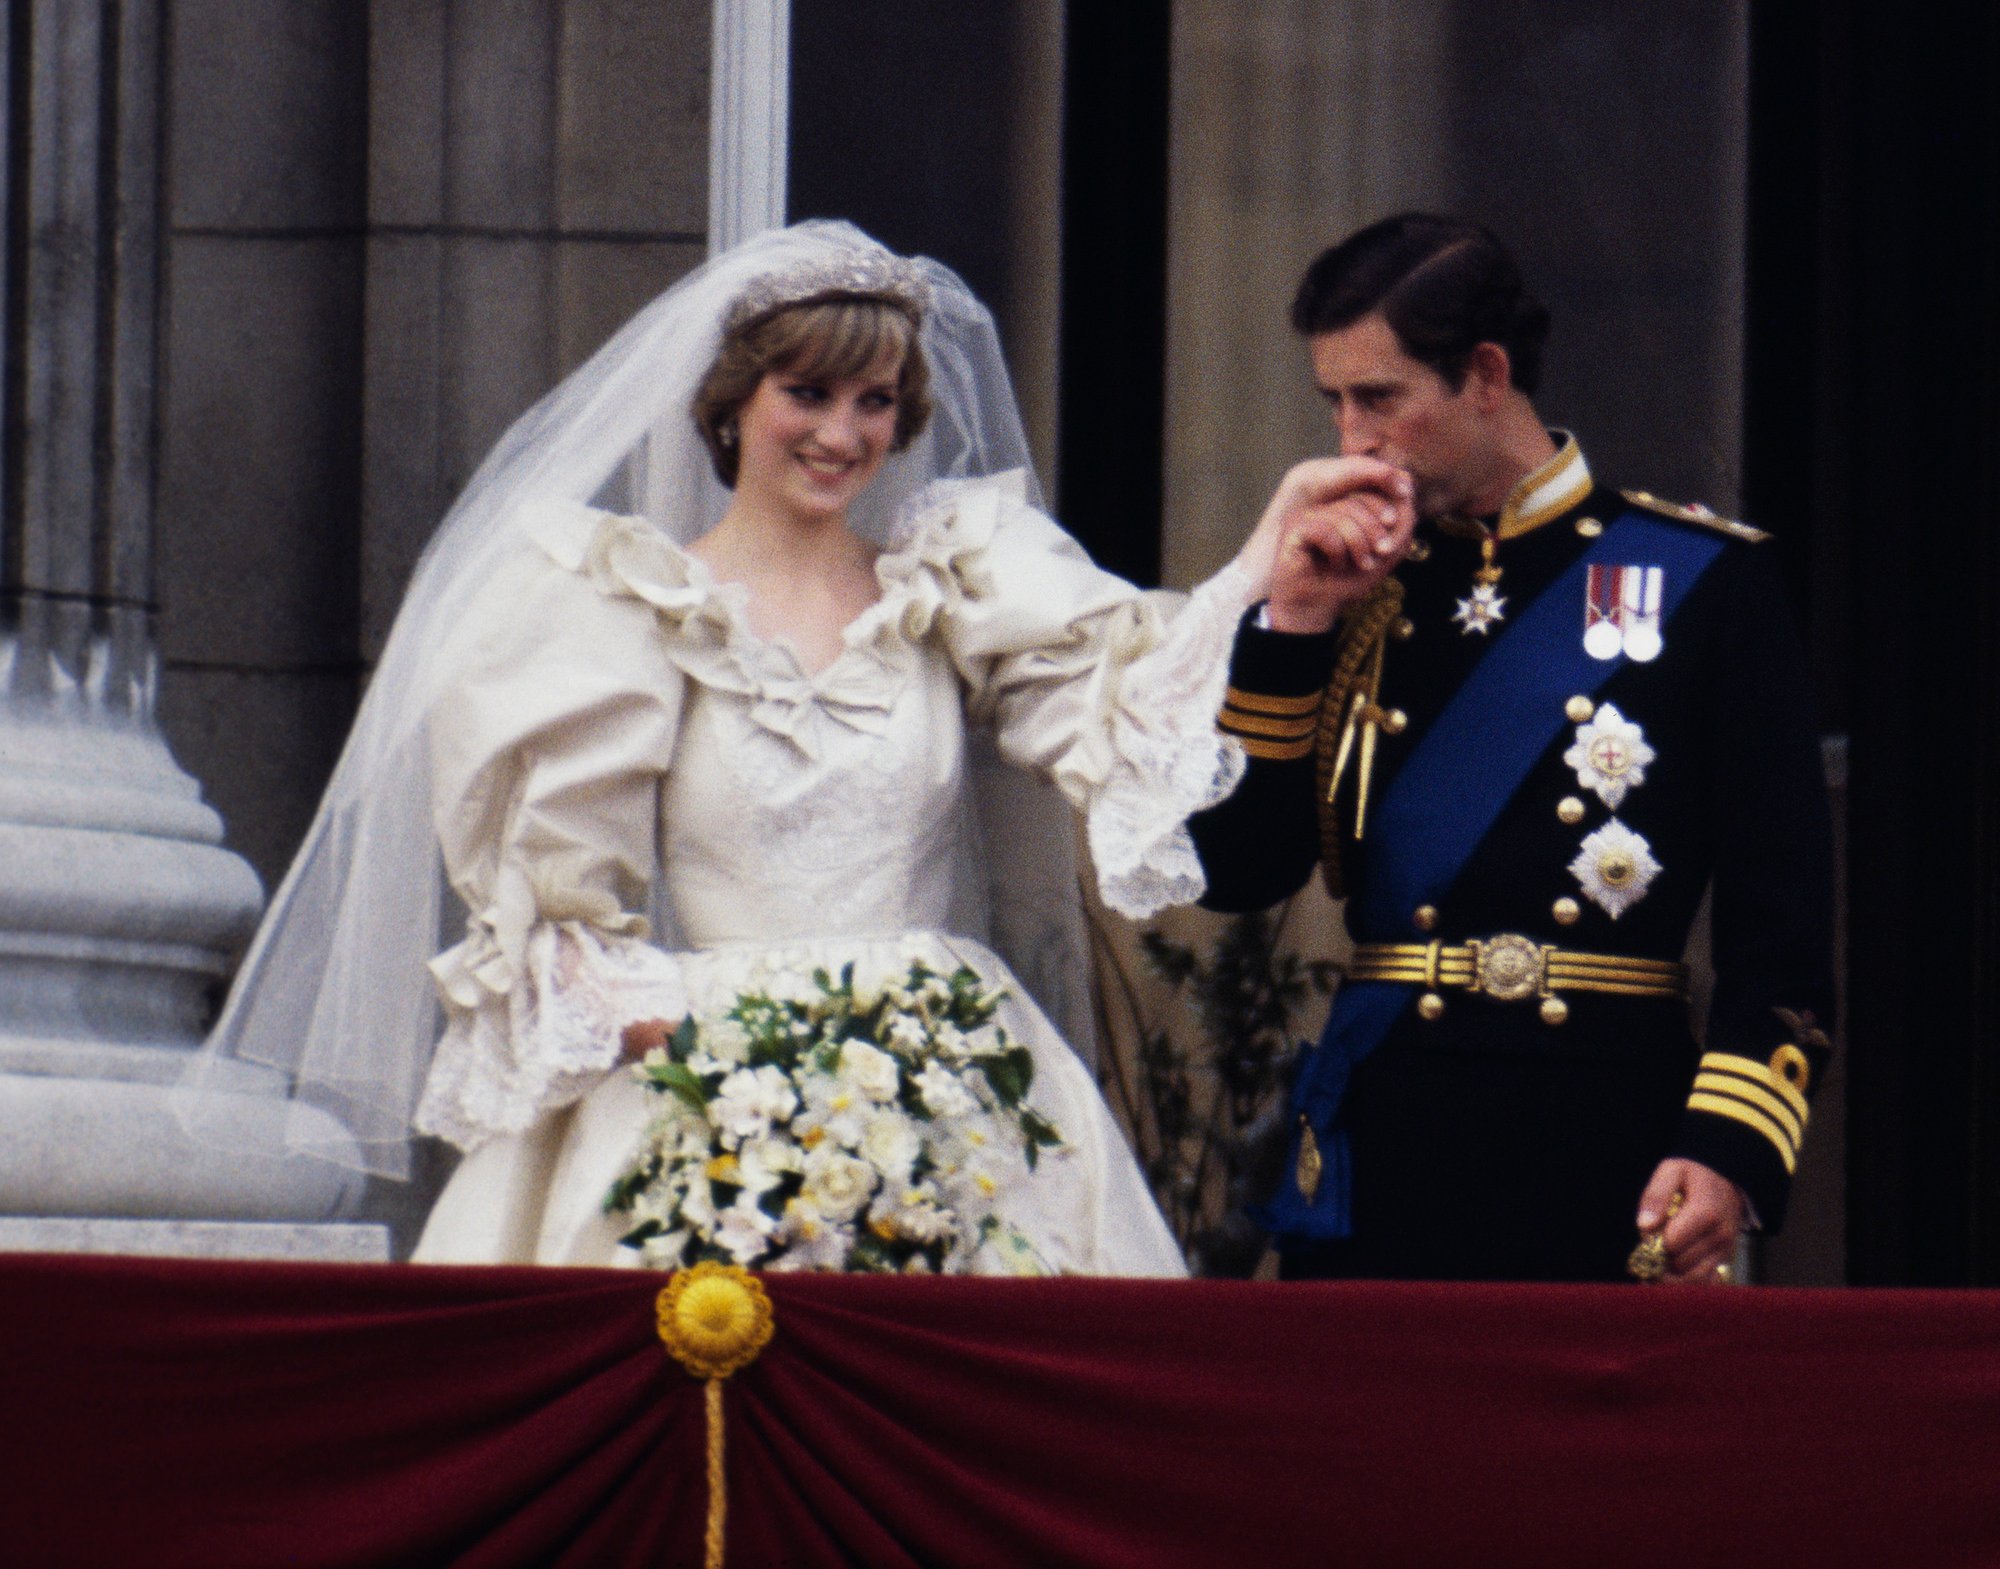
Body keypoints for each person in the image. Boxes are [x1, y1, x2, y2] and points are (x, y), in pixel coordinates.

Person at [184, 221, 1390, 1276]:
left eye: (873, 402)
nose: (842, 433)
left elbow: (1128, 716)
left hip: (950, 1080)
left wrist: (1260, 580)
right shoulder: (622, 606)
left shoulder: (952, 581)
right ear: (731, 403)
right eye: (805, 395)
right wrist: (749, 1082)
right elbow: (562, 921)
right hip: (705, 1086)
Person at [1189, 213, 1837, 1284]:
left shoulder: (1705, 583)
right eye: (1334, 403)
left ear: (1484, 376)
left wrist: (1724, 1147)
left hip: (1604, 1138)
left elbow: (1783, 932)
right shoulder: (1345, 587)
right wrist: (1289, 630)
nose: (1348, 439)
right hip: (1385, 1135)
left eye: (1378, 398)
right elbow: (1234, 872)